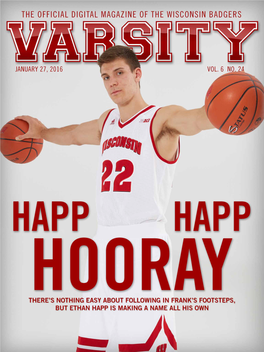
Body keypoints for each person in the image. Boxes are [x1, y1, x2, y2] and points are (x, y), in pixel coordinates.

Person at [16, 45, 214, 352]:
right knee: (91, 342)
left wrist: (229, 111)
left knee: (140, 344)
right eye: (106, 77)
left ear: (137, 74)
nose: (112, 82)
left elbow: (200, 119)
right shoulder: (106, 122)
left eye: (119, 73)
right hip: (104, 243)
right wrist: (42, 132)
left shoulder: (162, 119)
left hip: (144, 245)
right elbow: (71, 135)